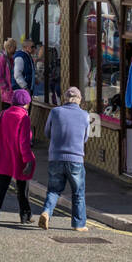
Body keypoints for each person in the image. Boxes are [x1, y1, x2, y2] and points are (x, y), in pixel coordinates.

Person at [38, 87, 92, 231]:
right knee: (78, 192)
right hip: (76, 159)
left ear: (65, 99)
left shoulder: (55, 112)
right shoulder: (85, 115)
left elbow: (47, 132)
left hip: (55, 157)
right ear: (79, 100)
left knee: (54, 190)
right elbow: (85, 138)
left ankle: (46, 212)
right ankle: (79, 224)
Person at [0, 89, 36, 225]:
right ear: (26, 104)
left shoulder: (3, 114)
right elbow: (24, 143)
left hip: (3, 156)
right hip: (19, 158)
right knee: (23, 189)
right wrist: (28, 160)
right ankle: (25, 216)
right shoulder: (24, 118)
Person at [0, 38, 16, 113]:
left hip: (12, 91)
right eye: (14, 47)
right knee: (7, 113)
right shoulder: (3, 59)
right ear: (9, 48)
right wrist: (5, 87)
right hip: (7, 92)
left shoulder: (11, 59)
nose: (16, 49)